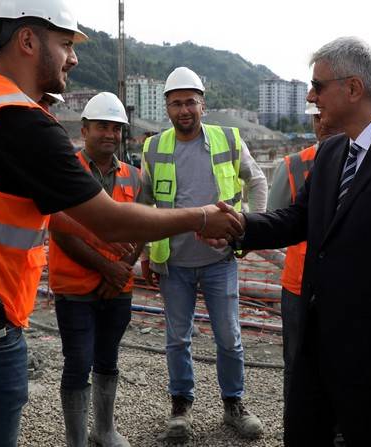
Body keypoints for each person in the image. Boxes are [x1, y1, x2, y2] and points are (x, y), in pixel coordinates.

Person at [0, 0, 242, 447]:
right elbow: (110, 219)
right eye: (66, 44)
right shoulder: (18, 121)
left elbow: (14, 209)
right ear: (29, 41)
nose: (74, 58)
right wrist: (200, 217)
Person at [219, 36, 371, 446]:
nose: (311, 97)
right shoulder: (332, 153)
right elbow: (299, 219)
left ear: (353, 88)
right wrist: (240, 226)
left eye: (318, 86)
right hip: (316, 346)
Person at [140, 66, 267, 442]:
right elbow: (145, 204)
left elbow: (257, 181)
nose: (184, 110)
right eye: (177, 103)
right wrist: (148, 252)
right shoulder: (153, 147)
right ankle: (181, 407)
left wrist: (248, 229)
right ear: (166, 107)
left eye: (190, 102)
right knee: (177, 338)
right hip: (173, 263)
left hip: (219, 262)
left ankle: (234, 405)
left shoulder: (228, 139)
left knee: (229, 336)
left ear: (203, 105)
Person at [48, 92, 142, 447]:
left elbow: (141, 229)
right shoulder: (65, 171)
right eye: (103, 126)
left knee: (108, 357)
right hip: (75, 287)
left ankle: (104, 430)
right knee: (78, 361)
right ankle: (76, 440)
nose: (110, 134)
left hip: (117, 288)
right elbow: (60, 231)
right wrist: (108, 269)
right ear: (84, 129)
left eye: (116, 128)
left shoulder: (133, 176)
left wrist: (123, 270)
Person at [266, 101, 342, 440]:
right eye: (317, 116)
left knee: (346, 363)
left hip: (348, 288)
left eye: (326, 113)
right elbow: (276, 223)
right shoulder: (293, 166)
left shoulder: (369, 162)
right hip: (299, 287)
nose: (323, 122)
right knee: (297, 367)